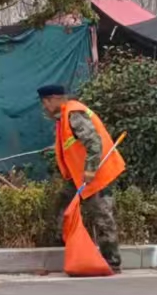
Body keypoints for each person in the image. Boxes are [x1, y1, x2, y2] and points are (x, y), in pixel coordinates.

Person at [37, 83, 124, 273]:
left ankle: (112, 262)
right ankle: (65, 250)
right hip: (78, 176)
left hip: (97, 173)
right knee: (63, 207)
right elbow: (74, 143)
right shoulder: (64, 117)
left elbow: (94, 142)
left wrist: (91, 170)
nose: (44, 107)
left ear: (53, 99)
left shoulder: (74, 114)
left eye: (45, 102)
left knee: (102, 216)